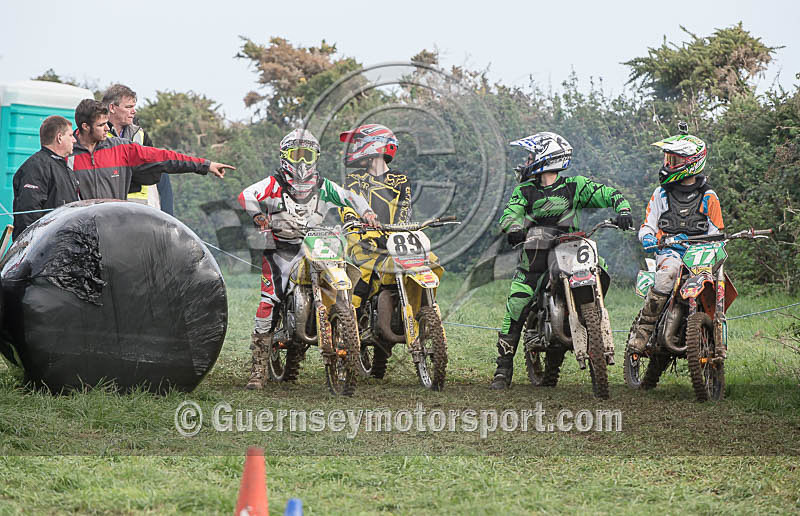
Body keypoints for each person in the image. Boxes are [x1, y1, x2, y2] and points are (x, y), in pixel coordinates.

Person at [489, 131, 633, 390]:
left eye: (531, 155)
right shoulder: (525, 190)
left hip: (571, 249)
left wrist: (622, 209)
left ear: (545, 157)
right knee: (518, 299)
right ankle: (503, 367)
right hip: (536, 252)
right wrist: (513, 228)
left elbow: (608, 193)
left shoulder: (574, 185)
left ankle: (587, 327)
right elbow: (511, 213)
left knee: (599, 271)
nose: (527, 160)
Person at [237, 129, 379, 390]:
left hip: (318, 242)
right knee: (270, 299)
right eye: (296, 154)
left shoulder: (324, 186)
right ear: (285, 157)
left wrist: (366, 212)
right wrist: (258, 217)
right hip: (282, 247)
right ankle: (258, 368)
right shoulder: (274, 183)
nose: (302, 161)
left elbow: (351, 196)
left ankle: (342, 329)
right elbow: (246, 195)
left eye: (308, 154)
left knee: (344, 279)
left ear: (316, 157)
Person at [627, 131, 724, 353]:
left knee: (719, 279)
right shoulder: (661, 194)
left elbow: (717, 232)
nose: (668, 164)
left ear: (691, 163)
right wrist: (649, 238)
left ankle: (717, 335)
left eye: (674, 160)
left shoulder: (709, 196)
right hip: (670, 252)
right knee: (668, 274)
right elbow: (647, 226)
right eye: (668, 159)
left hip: (700, 254)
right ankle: (643, 331)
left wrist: (714, 247)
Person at [70, 99, 232, 201]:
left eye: (107, 123)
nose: (107, 129)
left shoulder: (122, 149)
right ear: (85, 127)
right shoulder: (66, 155)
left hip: (115, 228)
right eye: (101, 125)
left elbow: (165, 157)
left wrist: (205, 165)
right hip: (81, 234)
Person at [337, 124, 412, 312]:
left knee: (424, 261)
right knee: (365, 269)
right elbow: (347, 205)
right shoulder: (353, 179)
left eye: (358, 143)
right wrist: (351, 221)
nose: (354, 149)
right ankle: (350, 319)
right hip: (362, 237)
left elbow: (405, 211)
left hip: (394, 238)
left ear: (374, 145)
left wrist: (398, 232)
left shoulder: (401, 179)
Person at [102, 84, 174, 214]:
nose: (134, 111)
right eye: (128, 107)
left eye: (134, 107)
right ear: (112, 108)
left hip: (141, 209)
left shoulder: (140, 134)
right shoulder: (97, 134)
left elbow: (158, 168)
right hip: (109, 209)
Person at [11, 116, 78, 239]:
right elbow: (29, 213)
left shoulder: (64, 167)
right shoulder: (36, 167)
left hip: (61, 243)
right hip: (42, 248)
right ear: (59, 138)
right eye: (70, 135)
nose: (74, 140)